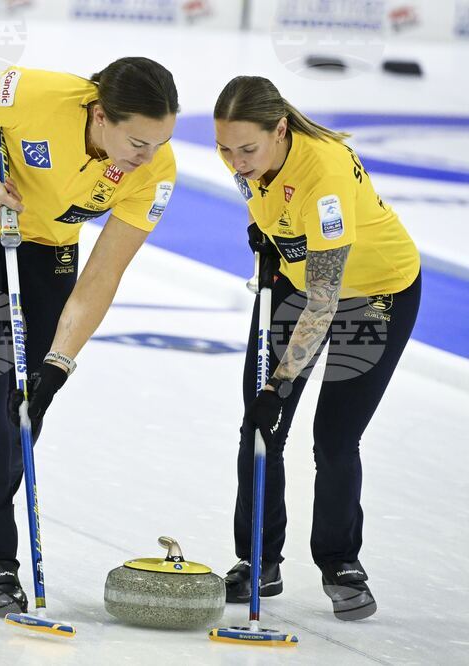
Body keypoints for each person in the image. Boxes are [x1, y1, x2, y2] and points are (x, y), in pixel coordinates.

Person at [0, 58, 179, 616]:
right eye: (137, 142)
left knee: (28, 396)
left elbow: (103, 275)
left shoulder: (154, 171)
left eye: (160, 143)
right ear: (100, 115)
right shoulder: (32, 94)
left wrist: (59, 364)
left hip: (45, 242)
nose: (146, 158)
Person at [213, 76, 421, 620]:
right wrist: (268, 236)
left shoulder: (323, 176)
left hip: (371, 292)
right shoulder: (245, 156)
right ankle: (258, 559)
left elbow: (326, 301)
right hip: (298, 277)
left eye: (247, 150)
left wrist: (279, 385)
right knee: (259, 427)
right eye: (225, 149)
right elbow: (260, 196)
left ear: (280, 130)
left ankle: (339, 562)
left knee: (333, 437)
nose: (235, 162)